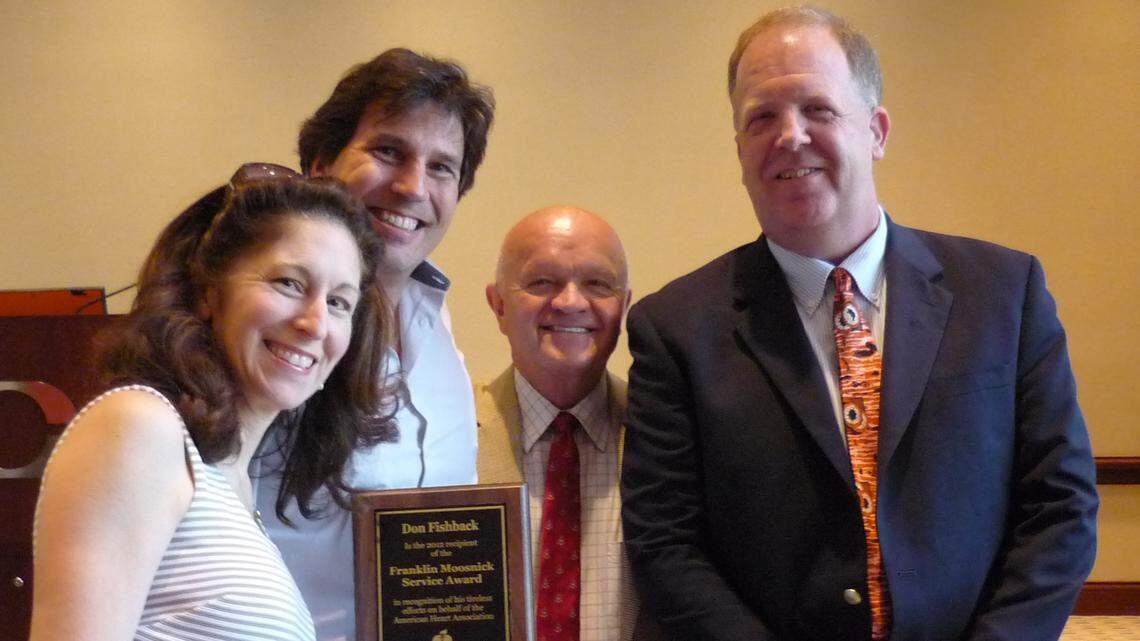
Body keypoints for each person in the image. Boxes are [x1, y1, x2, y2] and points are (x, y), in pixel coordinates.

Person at [620, 7, 1098, 641]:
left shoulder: (1005, 294)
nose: (789, 135)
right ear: (739, 149)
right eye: (762, 116)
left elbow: (1060, 510)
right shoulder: (675, 328)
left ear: (876, 130)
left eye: (818, 109)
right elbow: (664, 542)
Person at [30, 164, 392, 641]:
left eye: (340, 303)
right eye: (289, 283)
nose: (315, 322)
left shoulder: (234, 480)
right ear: (208, 291)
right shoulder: (139, 425)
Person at [251, 48, 495, 640]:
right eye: (389, 151)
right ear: (319, 164)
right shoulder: (268, 333)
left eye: (442, 167)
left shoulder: (439, 331)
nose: (412, 186)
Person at [478, 206, 659, 641]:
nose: (571, 302)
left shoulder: (665, 438)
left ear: (625, 307)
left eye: (597, 284)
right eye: (542, 282)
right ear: (499, 305)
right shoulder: (446, 437)